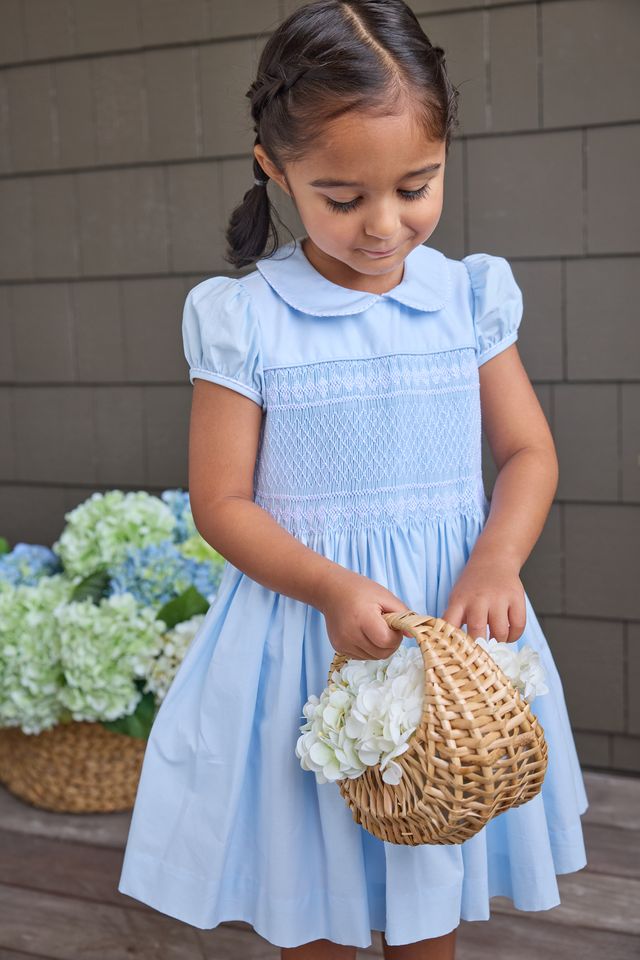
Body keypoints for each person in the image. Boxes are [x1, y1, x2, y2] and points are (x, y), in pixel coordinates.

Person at [117, 1, 589, 957]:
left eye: (417, 186)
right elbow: (222, 502)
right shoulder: (246, 319)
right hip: (310, 640)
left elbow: (528, 452)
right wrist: (331, 586)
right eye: (342, 198)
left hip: (448, 640)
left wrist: (498, 558)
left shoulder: (465, 298)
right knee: (316, 889)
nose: (384, 225)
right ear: (275, 170)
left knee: (430, 883)